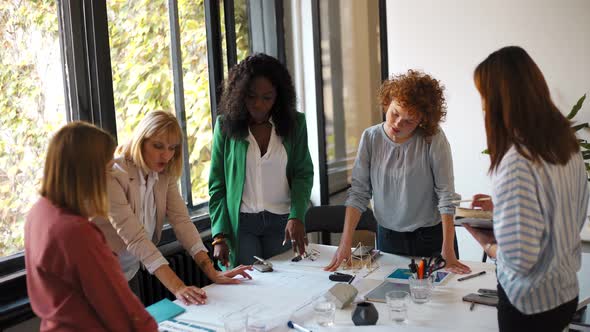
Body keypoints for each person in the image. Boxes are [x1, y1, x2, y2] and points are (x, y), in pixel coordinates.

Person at [465, 46, 588, 331]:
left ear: (498, 102)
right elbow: (567, 213)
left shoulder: (516, 163)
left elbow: (520, 260)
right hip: (564, 292)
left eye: (484, 98)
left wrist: (487, 243)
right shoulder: (567, 146)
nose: (483, 106)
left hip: (529, 305)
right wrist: (504, 210)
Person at [94, 111, 252, 306]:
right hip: (96, 272)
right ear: (140, 141)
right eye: (158, 146)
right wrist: (178, 287)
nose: (167, 155)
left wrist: (213, 272)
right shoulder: (113, 174)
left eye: (172, 148)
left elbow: (182, 223)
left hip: (129, 270)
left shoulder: (163, 176)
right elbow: (135, 237)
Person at [325, 69, 470, 274]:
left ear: (422, 120)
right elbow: (358, 193)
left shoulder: (432, 139)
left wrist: (447, 248)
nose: (398, 123)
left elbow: (446, 195)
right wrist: (345, 243)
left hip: (432, 237)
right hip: (388, 237)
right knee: (392, 296)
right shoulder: (371, 138)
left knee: (436, 297)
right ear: (388, 102)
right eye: (395, 113)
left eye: (409, 120)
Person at [25, 122, 157, 331]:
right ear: (89, 173)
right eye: (108, 168)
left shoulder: (38, 212)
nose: (112, 176)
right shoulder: (76, 232)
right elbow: (118, 304)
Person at [209, 53, 314, 267]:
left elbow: (303, 174)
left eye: (267, 97)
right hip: (242, 225)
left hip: (283, 222)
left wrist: (297, 216)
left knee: (287, 285)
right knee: (249, 286)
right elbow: (217, 185)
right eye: (251, 96)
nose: (258, 104)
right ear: (239, 95)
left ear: (278, 97)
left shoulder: (295, 124)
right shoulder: (224, 127)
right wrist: (219, 235)